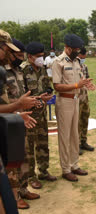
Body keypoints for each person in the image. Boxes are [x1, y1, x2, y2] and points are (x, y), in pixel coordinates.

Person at [5, 38, 40, 209]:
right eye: (17, 55)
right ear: (9, 53)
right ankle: (15, 195)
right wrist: (17, 110)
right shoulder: (2, 71)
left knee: (23, 156)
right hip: (8, 121)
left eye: (21, 55)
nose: (20, 57)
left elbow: (22, 93)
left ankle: (24, 188)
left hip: (20, 118)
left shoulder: (19, 70)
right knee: (12, 160)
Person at [52, 34, 93, 182]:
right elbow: (57, 86)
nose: (77, 51)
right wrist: (76, 86)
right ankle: (66, 169)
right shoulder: (58, 62)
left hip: (76, 100)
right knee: (65, 136)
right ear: (68, 48)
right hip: (64, 101)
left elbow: (79, 80)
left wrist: (86, 84)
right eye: (75, 49)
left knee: (75, 135)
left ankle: (74, 165)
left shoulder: (76, 62)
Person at [21, 42, 56, 190]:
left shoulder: (43, 70)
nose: (41, 59)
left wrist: (48, 95)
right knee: (29, 148)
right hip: (28, 116)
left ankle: (43, 171)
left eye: (42, 56)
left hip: (41, 114)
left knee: (43, 144)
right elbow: (20, 96)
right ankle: (31, 177)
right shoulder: (22, 71)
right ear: (29, 57)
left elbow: (48, 87)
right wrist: (38, 98)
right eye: (38, 56)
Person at [77, 47, 95, 155]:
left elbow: (87, 79)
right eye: (84, 56)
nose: (85, 58)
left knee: (85, 119)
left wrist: (89, 85)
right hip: (76, 98)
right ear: (80, 55)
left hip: (84, 98)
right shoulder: (74, 67)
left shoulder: (84, 66)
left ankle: (83, 141)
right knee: (77, 122)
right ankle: (77, 144)